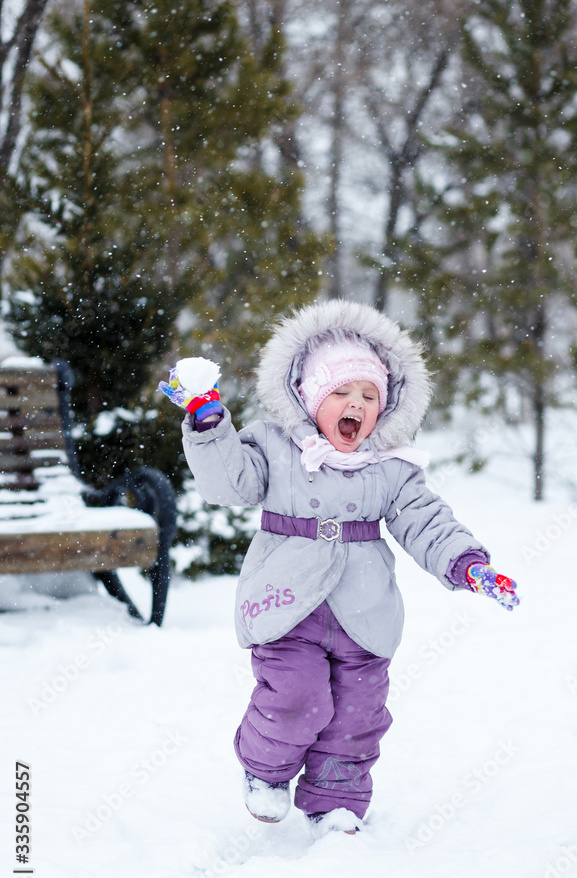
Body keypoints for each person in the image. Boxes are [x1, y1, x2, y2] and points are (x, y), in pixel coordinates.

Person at [159, 299, 519, 837]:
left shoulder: (392, 468)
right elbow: (229, 484)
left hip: (364, 611)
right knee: (297, 696)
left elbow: (425, 520)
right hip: (286, 604)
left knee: (359, 714)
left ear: (386, 406)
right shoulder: (277, 447)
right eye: (342, 392)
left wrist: (468, 564)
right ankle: (266, 771)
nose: (357, 404)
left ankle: (334, 800)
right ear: (308, 398)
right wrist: (209, 425)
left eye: (369, 396)